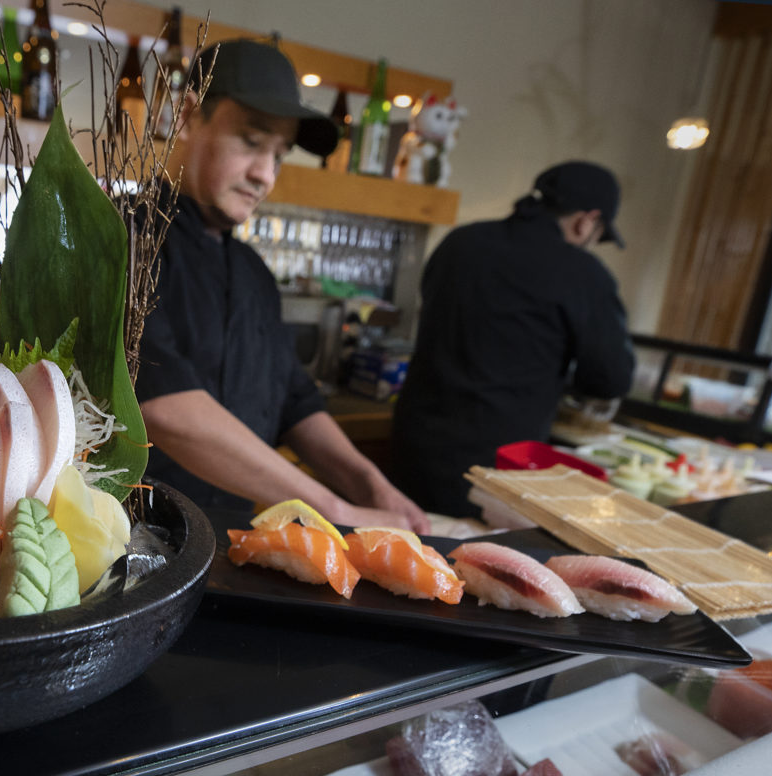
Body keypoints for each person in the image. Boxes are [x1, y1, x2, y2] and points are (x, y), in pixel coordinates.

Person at [135, 38, 430, 533]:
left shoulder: (252, 271)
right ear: (187, 116)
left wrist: (368, 482)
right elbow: (165, 406)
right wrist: (333, 509)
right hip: (137, 546)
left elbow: (294, 397)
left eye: (279, 154)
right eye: (251, 142)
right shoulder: (125, 239)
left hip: (235, 543)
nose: (264, 175)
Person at [390, 161, 636, 518]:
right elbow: (610, 378)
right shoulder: (582, 273)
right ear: (587, 221)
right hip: (491, 471)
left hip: (412, 450)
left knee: (401, 554)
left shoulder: (461, 242)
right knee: (470, 567)